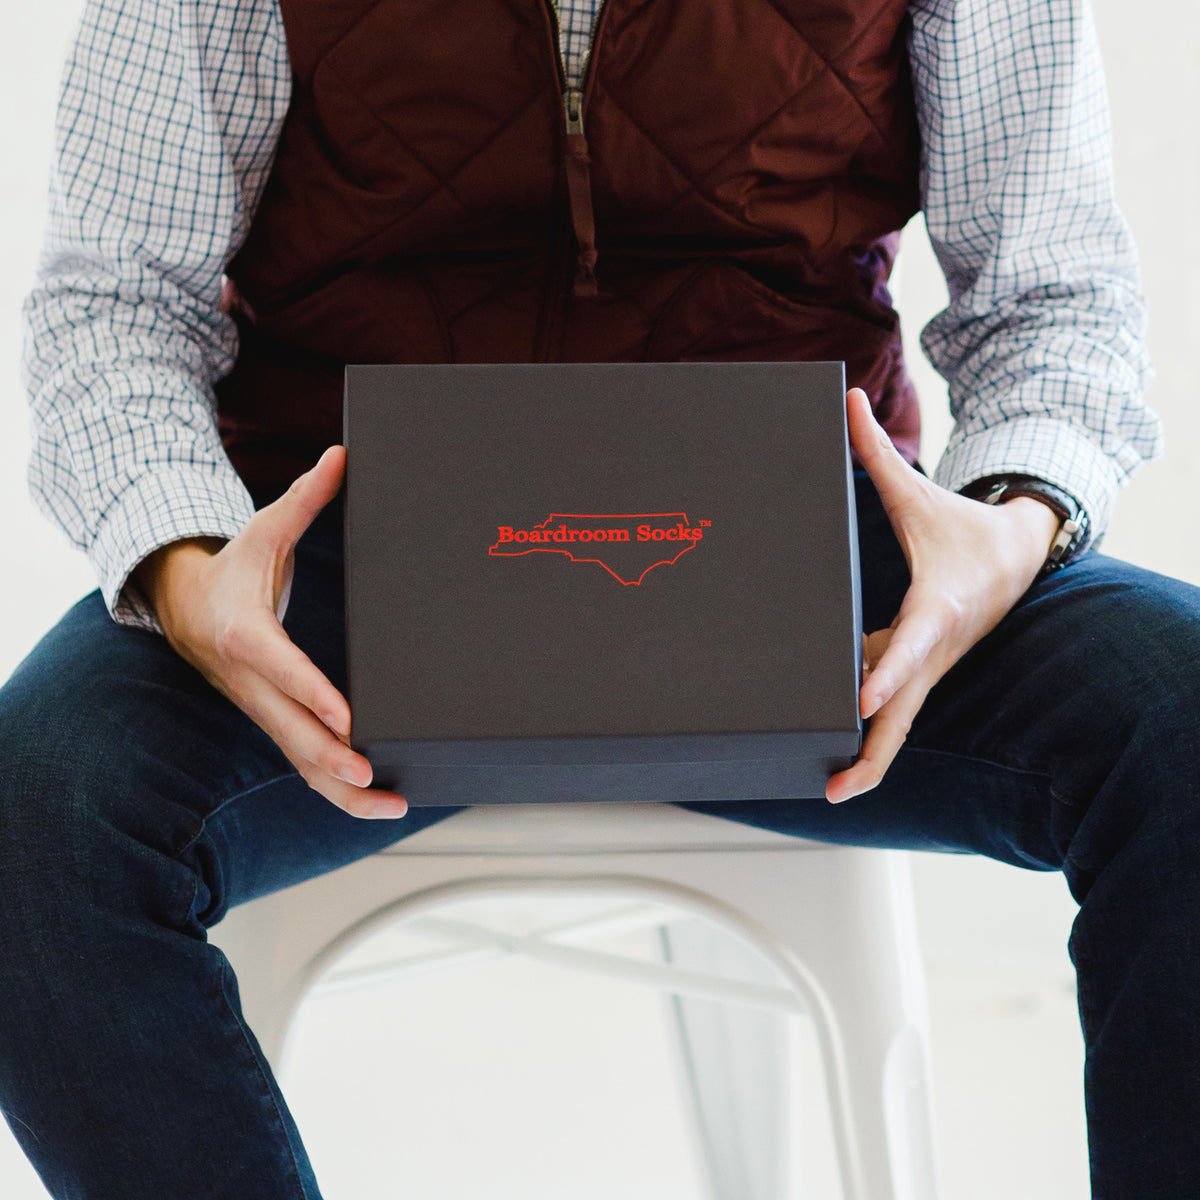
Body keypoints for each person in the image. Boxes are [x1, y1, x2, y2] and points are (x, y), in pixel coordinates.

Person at [3, 0, 1197, 1196]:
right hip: (341, 575)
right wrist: (187, 563)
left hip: (821, 576)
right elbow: (119, 300)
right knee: (34, 817)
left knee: (1180, 710)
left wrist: (1007, 524)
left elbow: (1054, 300)